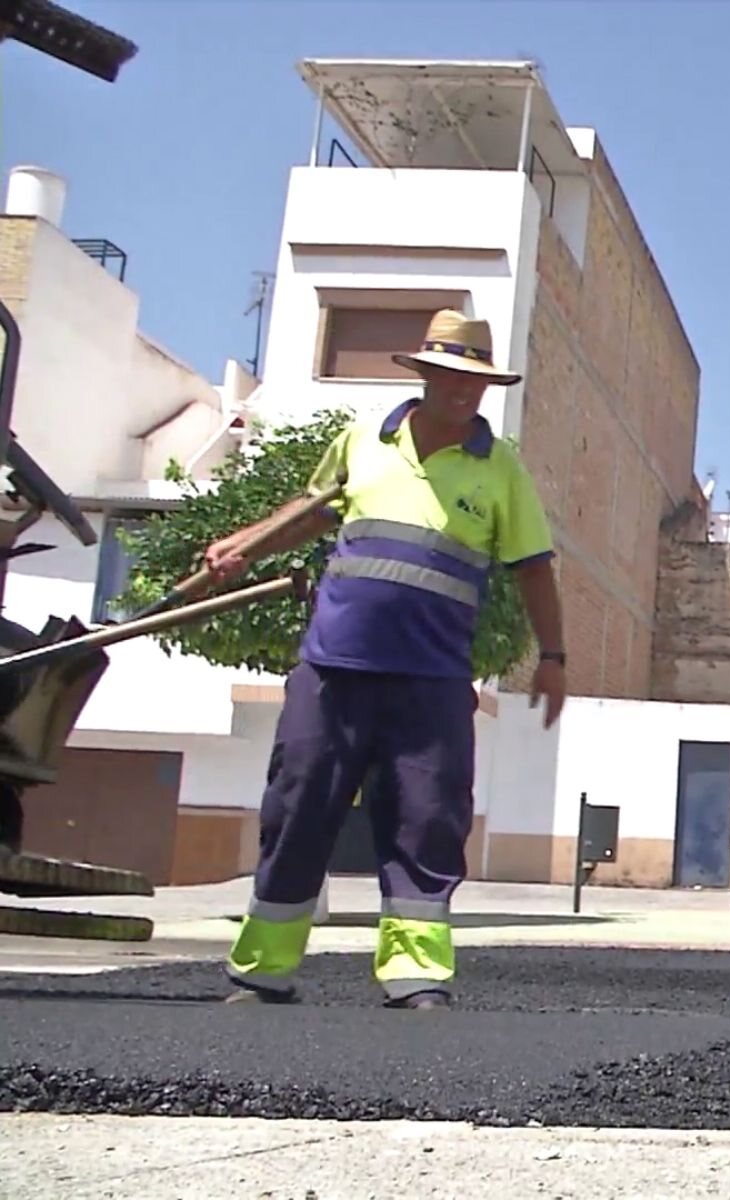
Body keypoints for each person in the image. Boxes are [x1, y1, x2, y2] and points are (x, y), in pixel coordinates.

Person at [212, 309, 569, 1010]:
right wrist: (244, 546)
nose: (465, 391)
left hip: (432, 681)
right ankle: (263, 970)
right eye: (452, 376)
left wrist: (553, 656)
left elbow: (534, 569)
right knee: (298, 804)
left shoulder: (500, 471)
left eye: (477, 381)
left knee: (427, 818)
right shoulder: (362, 443)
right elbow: (311, 512)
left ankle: (415, 977)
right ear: (426, 374)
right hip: (333, 668)